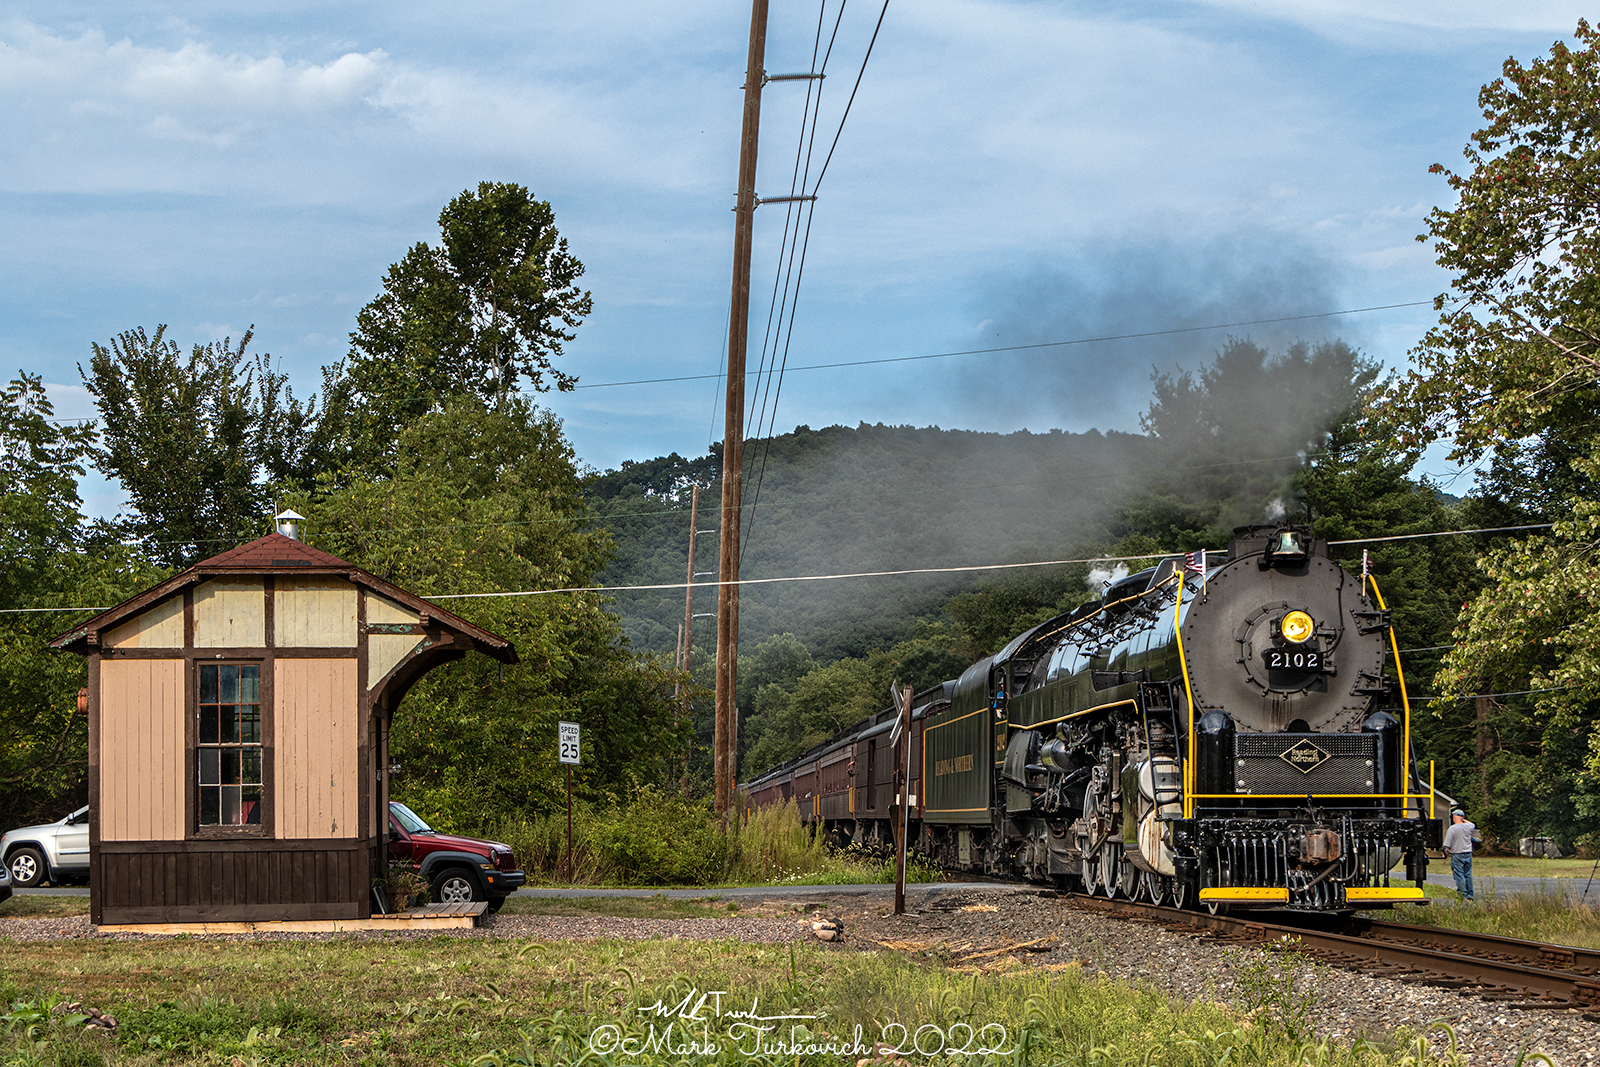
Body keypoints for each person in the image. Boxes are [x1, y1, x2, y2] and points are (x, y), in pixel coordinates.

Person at [1442, 807, 1481, 901]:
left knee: (1459, 875)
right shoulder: (1469, 827)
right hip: (1467, 853)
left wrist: (1444, 855)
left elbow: (1447, 844)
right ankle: (1470, 894)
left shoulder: (1452, 829)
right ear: (1462, 817)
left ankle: (1462, 894)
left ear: (1454, 817)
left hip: (1457, 854)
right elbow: (1471, 823)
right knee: (1468, 874)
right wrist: (1462, 819)